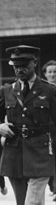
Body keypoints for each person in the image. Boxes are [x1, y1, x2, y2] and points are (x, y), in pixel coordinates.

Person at [0, 45, 56, 205]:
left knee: (32, 204)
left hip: (41, 155)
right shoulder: (7, 90)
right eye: (15, 66)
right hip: (14, 154)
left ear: (34, 63)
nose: (19, 70)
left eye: (23, 66)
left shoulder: (49, 91)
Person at [41, 60, 56, 197]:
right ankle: (52, 185)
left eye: (55, 72)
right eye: (50, 71)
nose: (52, 74)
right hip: (46, 129)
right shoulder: (42, 90)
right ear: (45, 74)